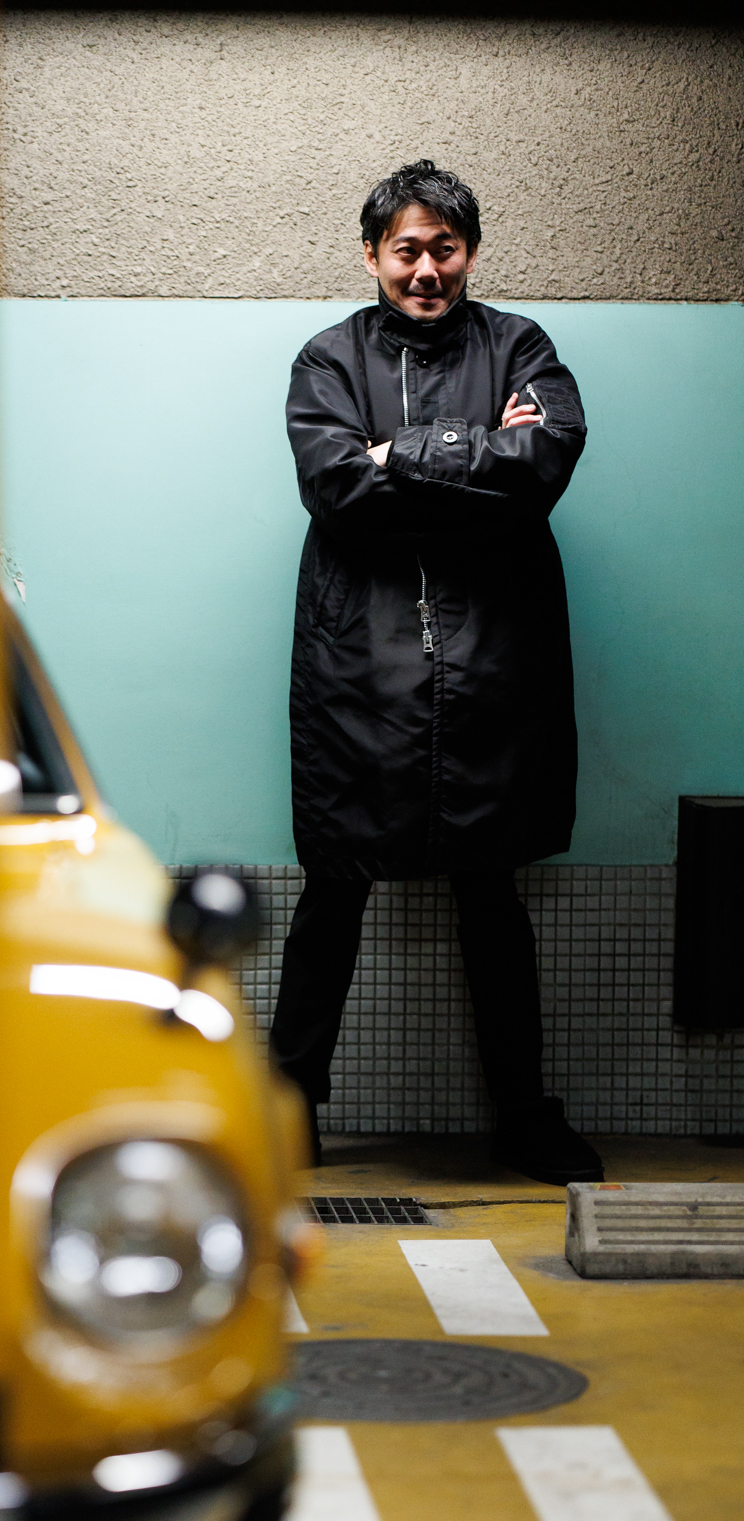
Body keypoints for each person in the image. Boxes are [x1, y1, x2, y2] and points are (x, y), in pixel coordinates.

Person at [270, 158, 603, 1185]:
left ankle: (523, 1117)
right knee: (334, 889)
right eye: (406, 250)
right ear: (371, 254)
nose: (426, 270)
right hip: (358, 665)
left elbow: (542, 463)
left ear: (471, 252)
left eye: (444, 249)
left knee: (490, 890)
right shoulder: (327, 359)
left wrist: (396, 456)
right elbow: (334, 486)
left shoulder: (521, 346)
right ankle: (286, 1111)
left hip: (490, 661)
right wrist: (469, 456)